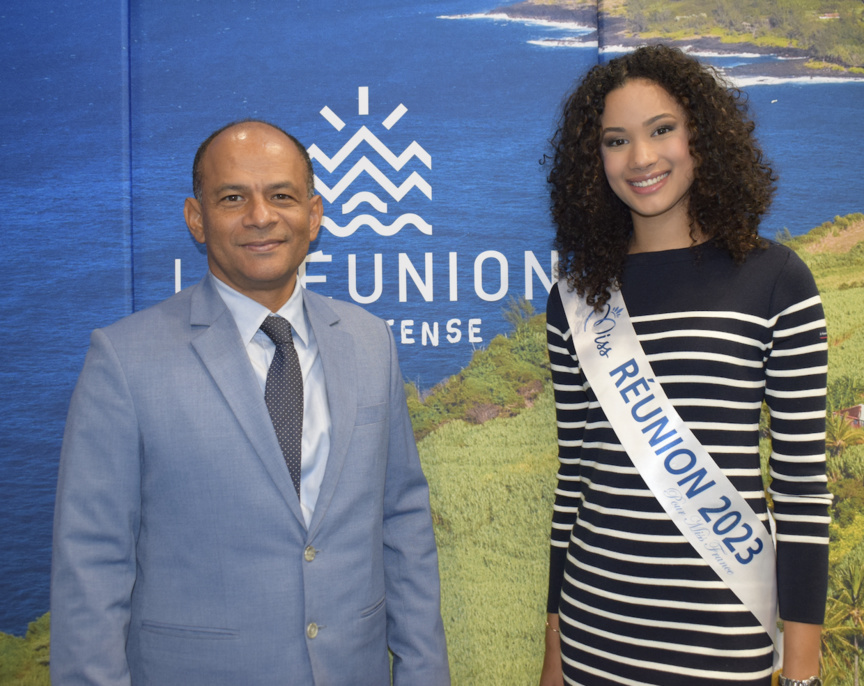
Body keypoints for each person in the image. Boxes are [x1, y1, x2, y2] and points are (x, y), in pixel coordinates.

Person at [50, 119, 450, 686]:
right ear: (196, 218)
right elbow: (91, 564)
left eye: (281, 196)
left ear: (313, 216)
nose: (261, 216)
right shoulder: (123, 358)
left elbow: (403, 523)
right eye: (233, 197)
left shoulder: (369, 341)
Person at [539, 46, 830, 686]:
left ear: (701, 134)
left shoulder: (778, 280)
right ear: (595, 163)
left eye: (662, 129)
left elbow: (804, 492)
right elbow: (574, 487)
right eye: (616, 141)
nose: (641, 158)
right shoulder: (574, 298)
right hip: (595, 641)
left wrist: (803, 673)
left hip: (725, 651)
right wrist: (554, 657)